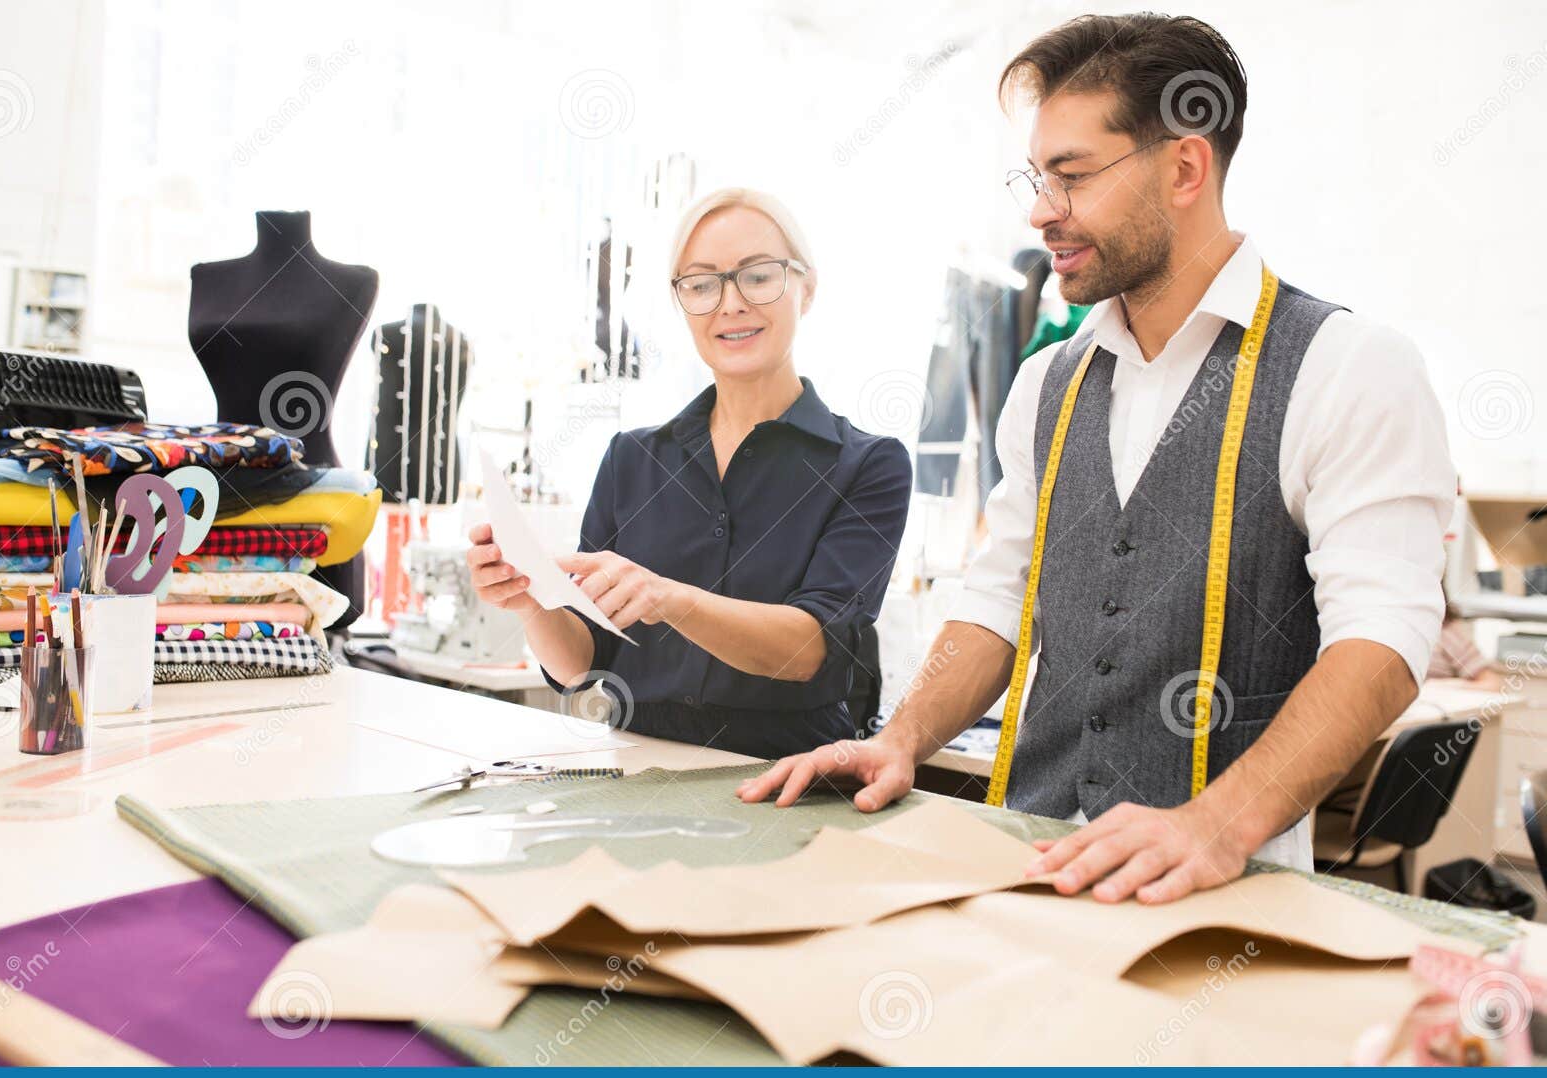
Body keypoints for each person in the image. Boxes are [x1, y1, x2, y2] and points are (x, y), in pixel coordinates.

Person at [740, 14, 1456, 904]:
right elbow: (998, 598)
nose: (1041, 211)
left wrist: (1216, 823)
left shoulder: (1348, 368)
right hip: (1028, 869)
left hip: (1221, 908)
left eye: (1072, 177)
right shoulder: (1047, 383)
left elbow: (1382, 643)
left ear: (1185, 167)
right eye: (1037, 179)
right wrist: (903, 737)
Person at [467, 188, 912, 760]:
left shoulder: (867, 466)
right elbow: (582, 663)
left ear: (807, 288)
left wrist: (666, 597)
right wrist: (531, 598)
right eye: (702, 285)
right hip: (633, 777)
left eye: (757, 276)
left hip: (784, 786)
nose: (730, 304)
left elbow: (806, 649)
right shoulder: (632, 458)